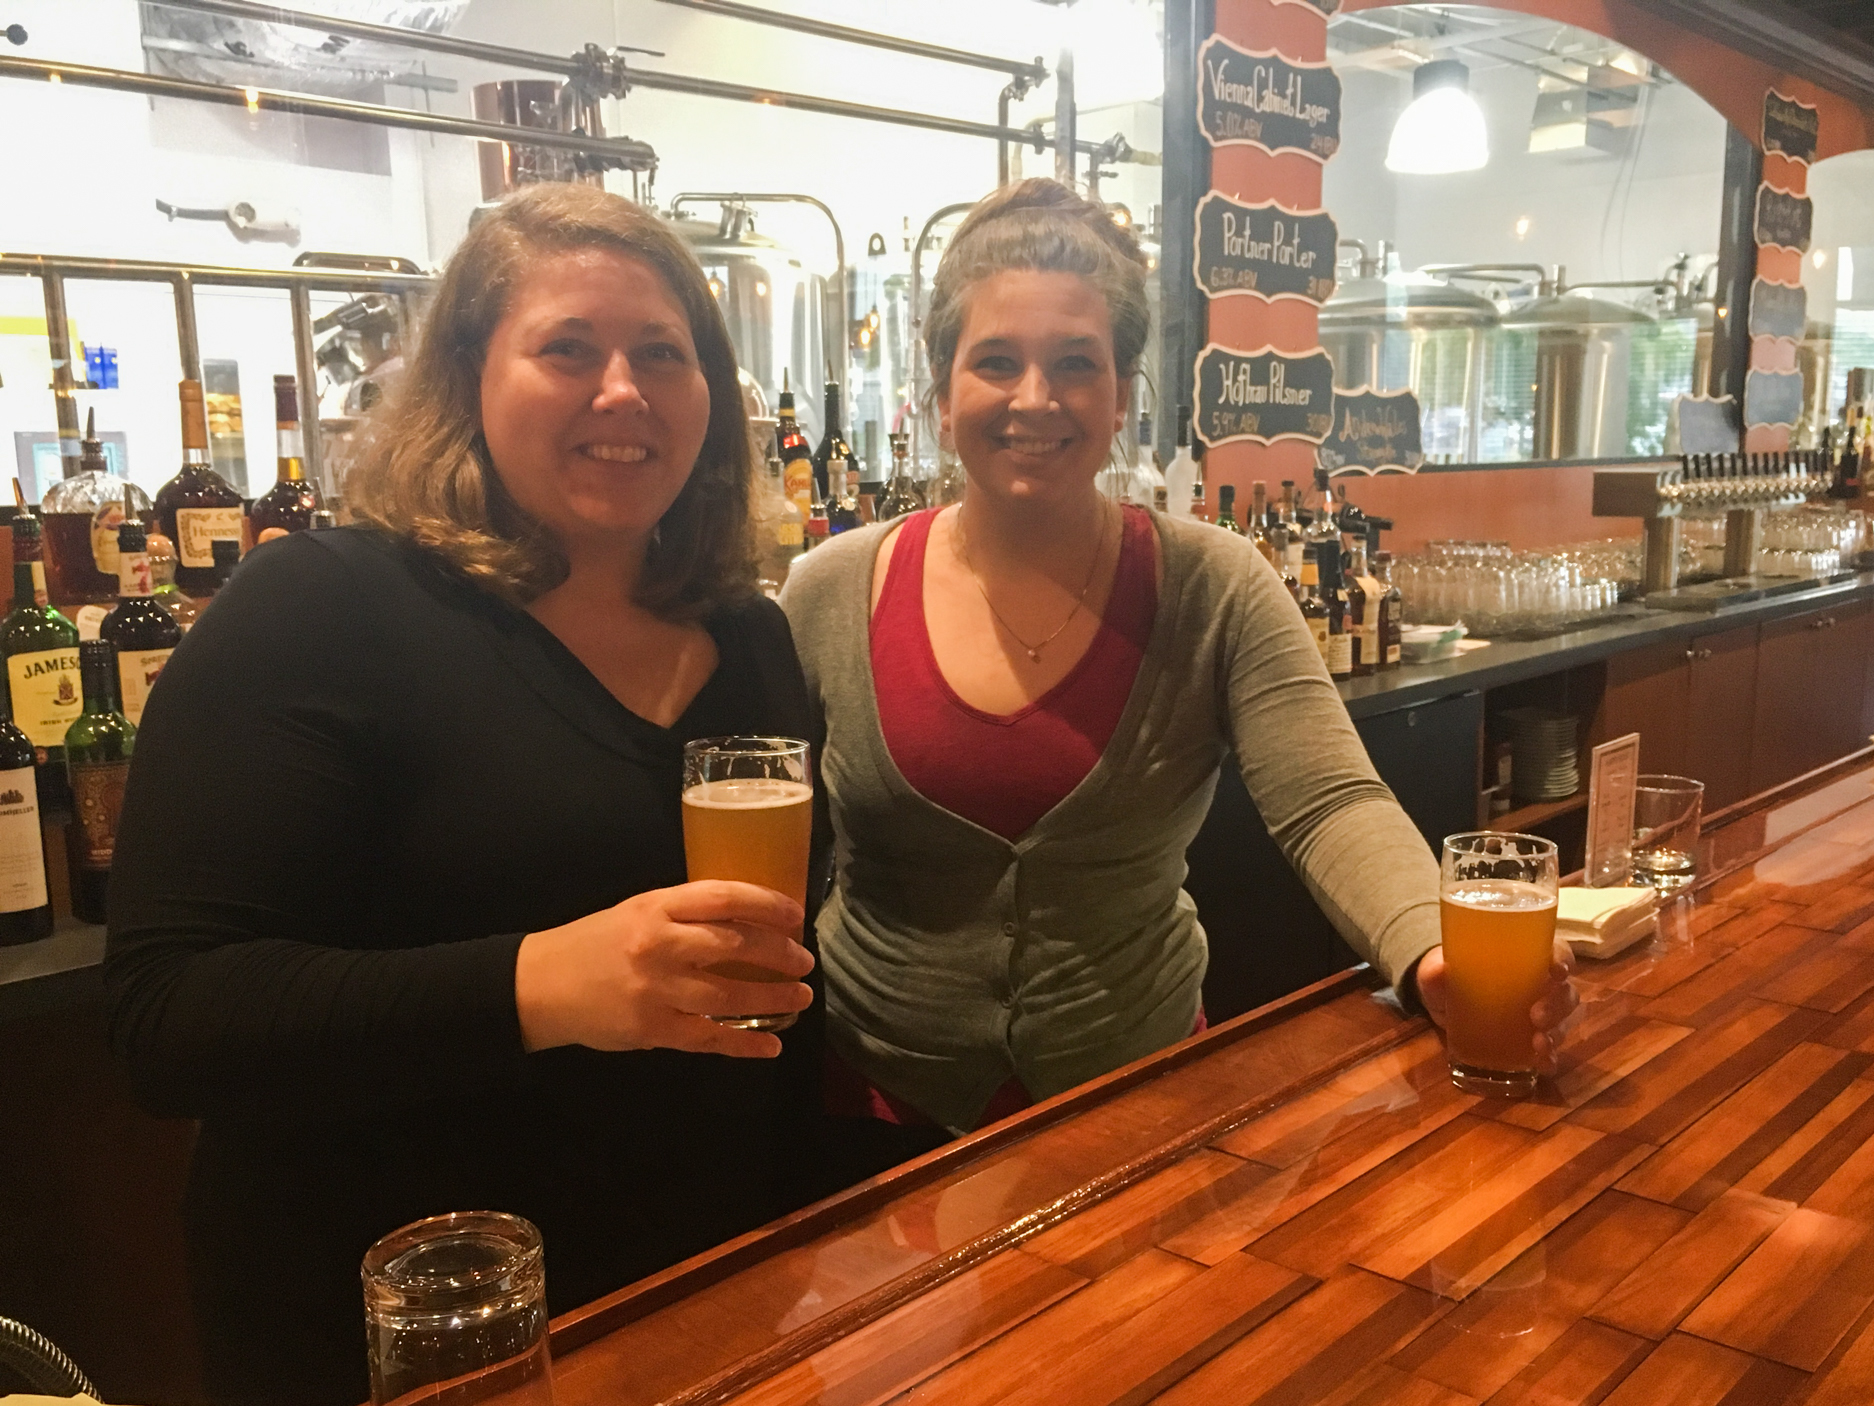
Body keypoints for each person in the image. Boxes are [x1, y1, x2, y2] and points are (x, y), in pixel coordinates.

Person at [104, 184, 822, 1406]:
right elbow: (171, 1017)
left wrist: (812, 1239)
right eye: (567, 349)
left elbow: (776, 986)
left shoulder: (746, 634)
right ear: (466, 380)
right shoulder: (319, 611)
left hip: (698, 1296)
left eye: (665, 352)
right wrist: (546, 982)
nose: (622, 390)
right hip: (404, 1334)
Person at [780, 179, 1574, 1162]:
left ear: (1120, 396)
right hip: (874, 1120)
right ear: (941, 396)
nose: (1034, 397)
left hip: (1136, 1103)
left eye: (1075, 363)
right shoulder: (826, 592)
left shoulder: (1212, 583)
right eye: (995, 362)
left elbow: (1327, 796)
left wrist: (1429, 950)